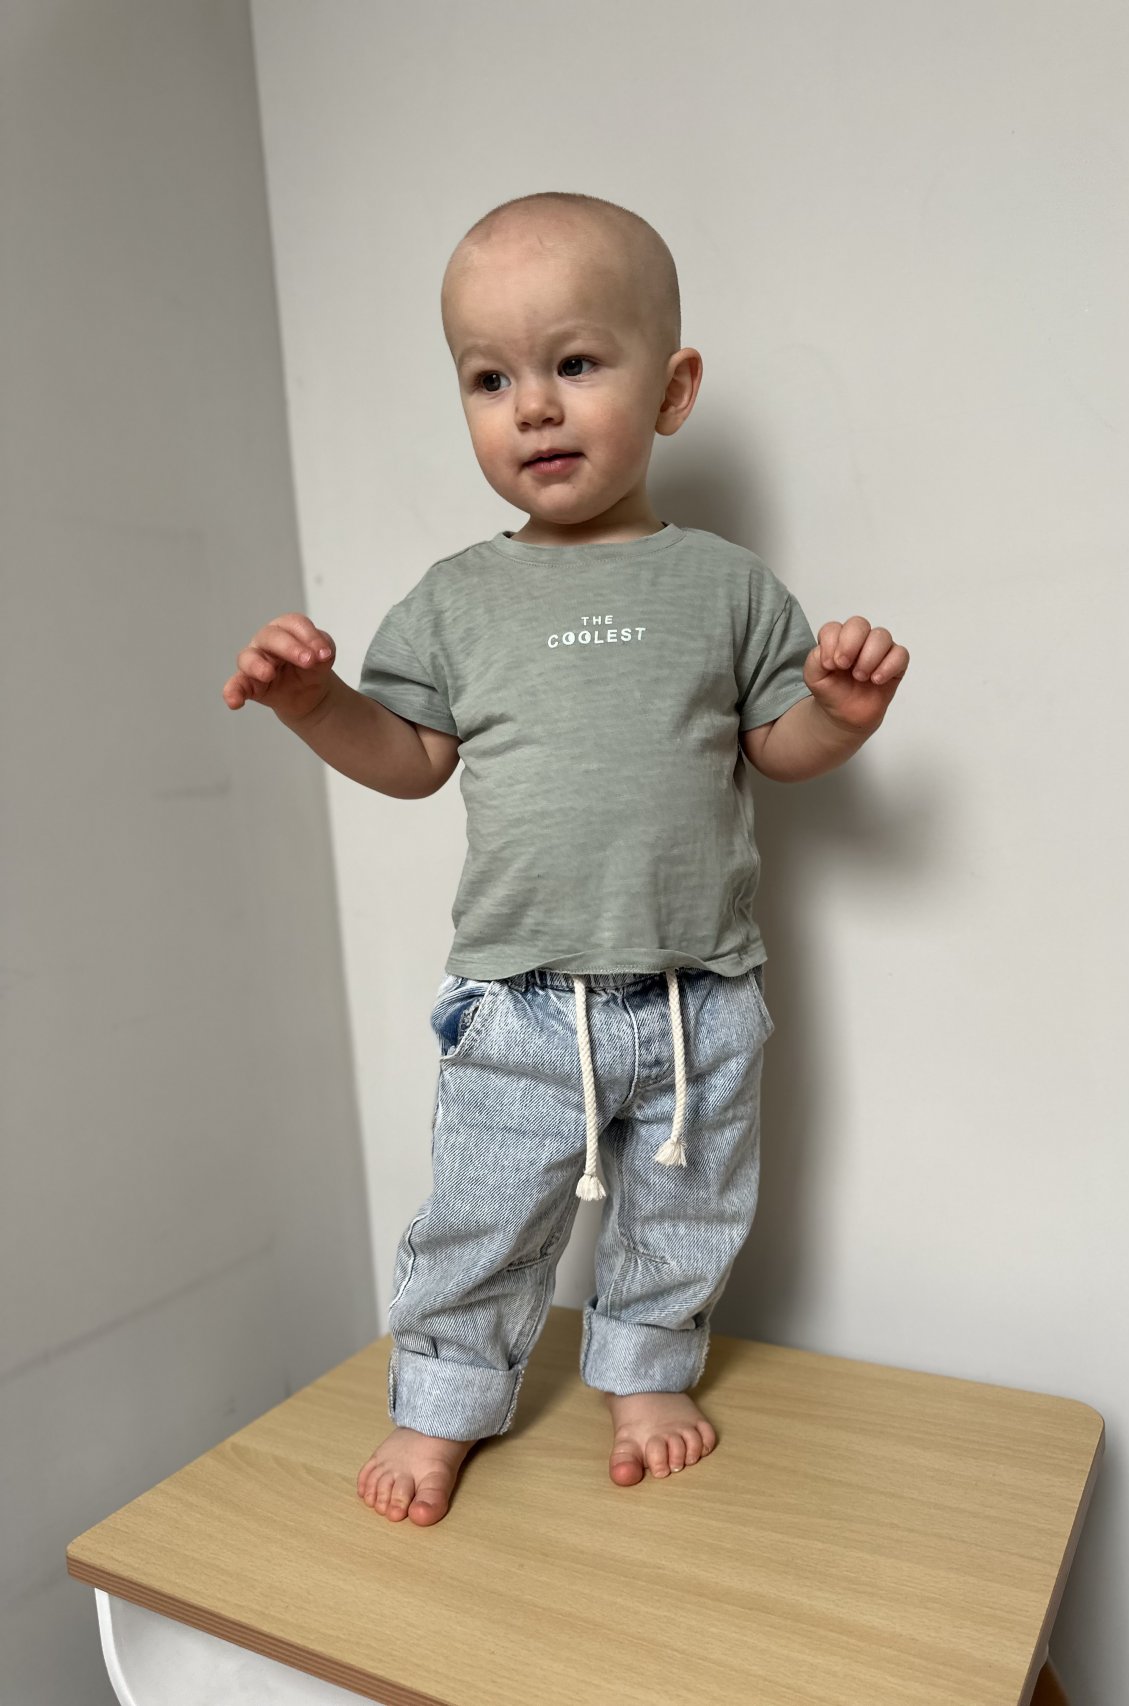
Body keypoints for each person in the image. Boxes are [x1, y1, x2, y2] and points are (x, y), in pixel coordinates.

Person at [221, 191, 909, 1528]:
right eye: (490, 379)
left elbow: (779, 748)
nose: (532, 406)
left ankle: (646, 1375)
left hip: (699, 994)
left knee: (685, 1209)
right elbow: (410, 758)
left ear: (672, 389)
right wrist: (316, 706)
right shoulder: (455, 599)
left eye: (575, 363)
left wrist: (840, 713)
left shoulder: (726, 586)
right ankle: (442, 1396)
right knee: (484, 1213)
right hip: (523, 999)